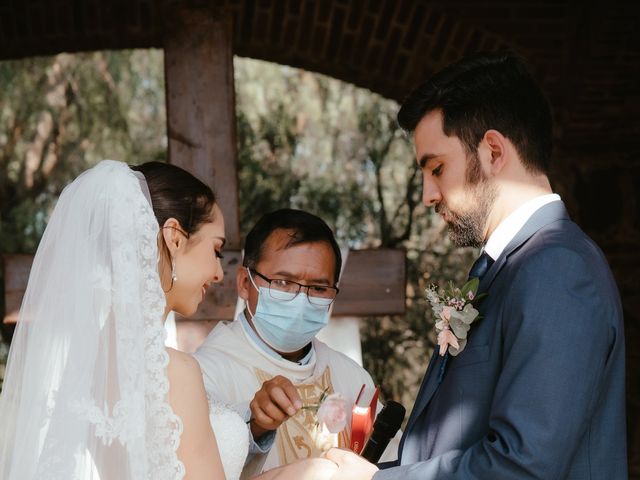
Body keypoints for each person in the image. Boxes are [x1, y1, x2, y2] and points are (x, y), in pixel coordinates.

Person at [326, 51, 627, 479]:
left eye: (437, 168)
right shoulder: (510, 269)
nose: (428, 194)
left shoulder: (558, 270)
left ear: (493, 151)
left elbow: (524, 466)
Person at [0, 161, 336, 480]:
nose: (219, 272)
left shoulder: (79, 364)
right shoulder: (172, 372)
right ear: (174, 237)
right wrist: (320, 472)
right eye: (215, 250)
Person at [194, 209, 394, 478]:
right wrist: (254, 428)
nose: (301, 300)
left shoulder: (351, 375)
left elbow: (392, 465)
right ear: (244, 283)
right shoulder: (205, 374)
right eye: (283, 282)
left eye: (319, 288)